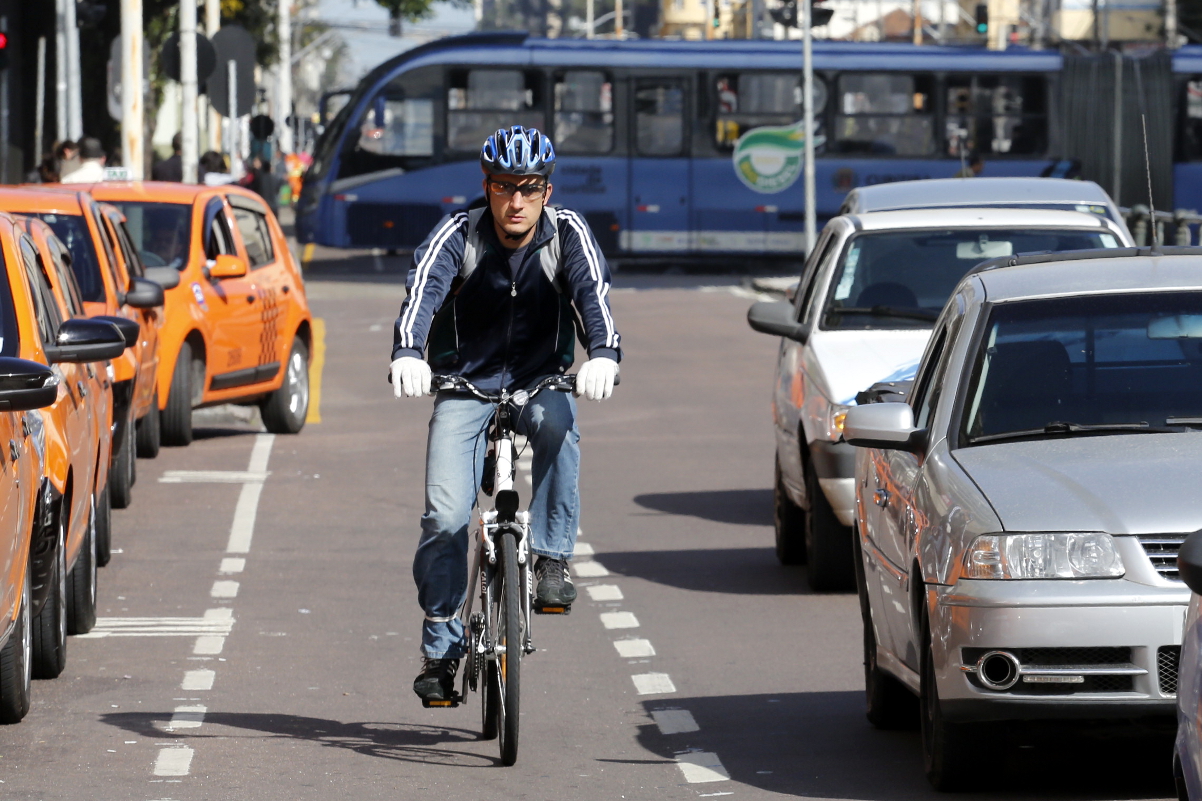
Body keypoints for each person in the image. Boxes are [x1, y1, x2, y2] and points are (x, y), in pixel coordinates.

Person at [390, 125, 622, 703]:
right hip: (464, 385)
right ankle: (441, 646)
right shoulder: (458, 234)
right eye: (501, 187)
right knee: (444, 518)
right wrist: (407, 352)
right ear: (486, 186)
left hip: (539, 379)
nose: (514, 202)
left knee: (558, 423)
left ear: (547, 190)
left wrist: (605, 355)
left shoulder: (567, 235)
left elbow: (594, 297)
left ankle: (550, 560)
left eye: (528, 188)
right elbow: (423, 290)